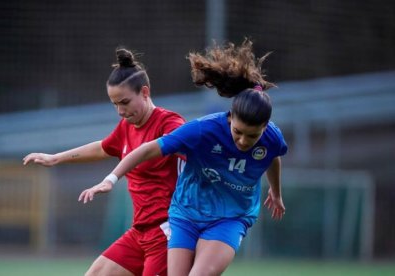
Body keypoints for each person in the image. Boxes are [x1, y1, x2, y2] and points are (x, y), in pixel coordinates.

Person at [79, 39, 288, 276]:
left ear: (265, 127)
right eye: (237, 132)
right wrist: (111, 179)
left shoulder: (273, 138)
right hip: (186, 214)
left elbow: (273, 156)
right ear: (230, 118)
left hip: (229, 217)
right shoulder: (203, 130)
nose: (242, 141)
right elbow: (147, 149)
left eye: (253, 136)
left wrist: (276, 192)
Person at [23, 48, 185, 276]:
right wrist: (55, 158)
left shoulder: (170, 123)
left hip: (168, 232)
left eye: (125, 102)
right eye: (115, 104)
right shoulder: (127, 127)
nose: (120, 111)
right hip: (140, 232)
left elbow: (197, 154)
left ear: (145, 92)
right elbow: (103, 147)